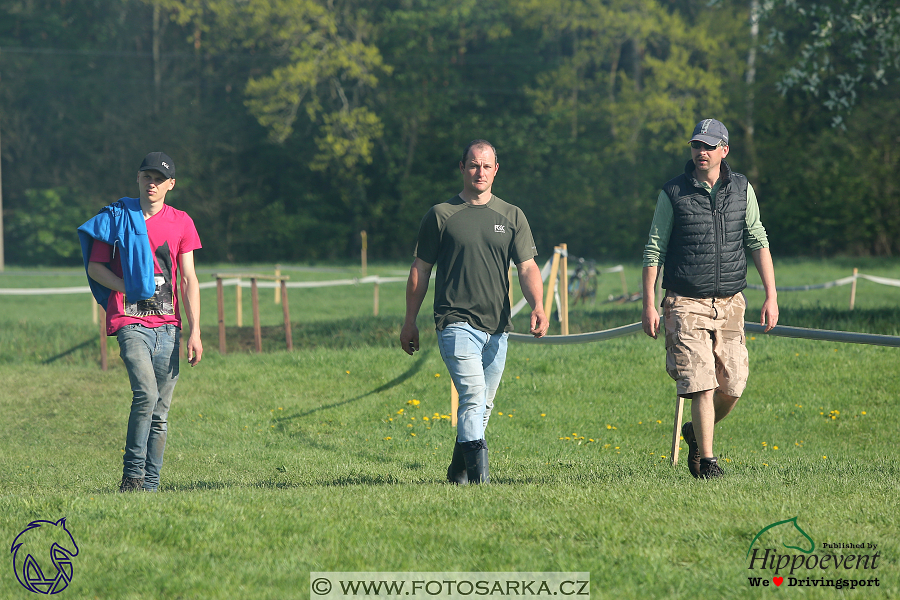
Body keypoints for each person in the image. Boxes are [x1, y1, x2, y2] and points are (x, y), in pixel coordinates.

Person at [400, 139, 549, 484]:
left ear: (496, 170)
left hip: (497, 326)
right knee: (472, 395)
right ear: (462, 168)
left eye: (486, 166)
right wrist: (410, 321)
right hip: (454, 322)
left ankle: (457, 472)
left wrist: (539, 305)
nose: (479, 171)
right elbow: (420, 269)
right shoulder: (440, 215)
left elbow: (527, 267)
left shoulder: (512, 216)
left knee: (483, 405)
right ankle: (480, 482)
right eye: (473, 165)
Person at [641, 119, 778, 479]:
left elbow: (758, 240)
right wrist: (648, 305)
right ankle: (708, 462)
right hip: (685, 301)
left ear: (724, 150)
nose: (701, 152)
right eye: (696, 145)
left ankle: (696, 436)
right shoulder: (673, 192)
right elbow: (654, 249)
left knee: (732, 385)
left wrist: (771, 296)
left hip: (731, 301)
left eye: (708, 146)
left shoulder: (742, 189)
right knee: (702, 382)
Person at [78, 152, 203, 492]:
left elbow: (189, 279)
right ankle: (132, 476)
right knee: (146, 394)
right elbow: (95, 267)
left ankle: (150, 485)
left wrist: (195, 332)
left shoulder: (181, 222)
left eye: (159, 179)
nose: (152, 183)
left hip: (169, 326)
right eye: (147, 176)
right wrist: (129, 288)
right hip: (129, 321)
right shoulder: (118, 217)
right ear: (138, 178)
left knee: (161, 411)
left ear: (170, 185)